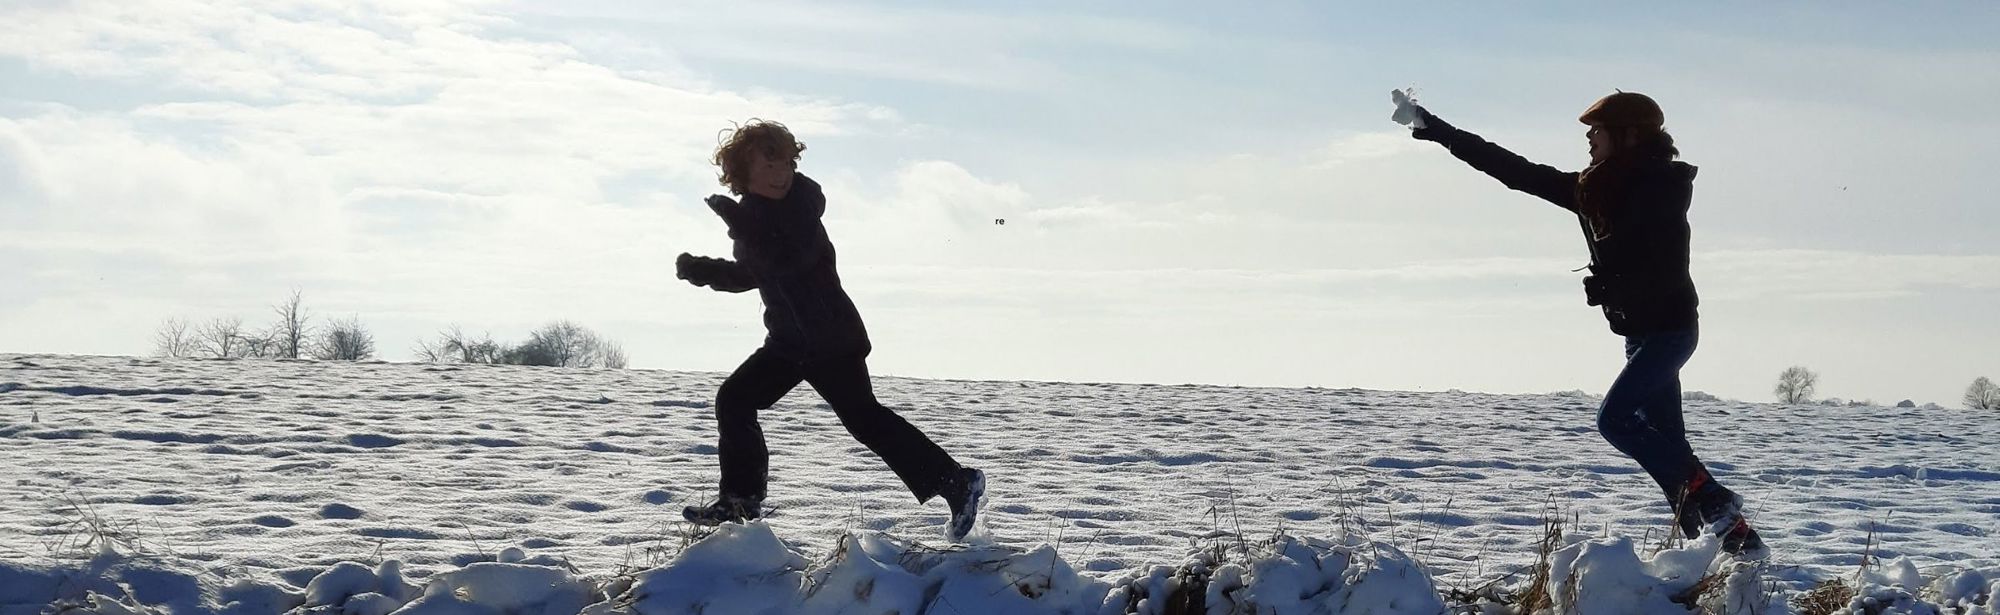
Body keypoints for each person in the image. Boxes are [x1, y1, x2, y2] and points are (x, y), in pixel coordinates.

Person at [1406, 93, 1763, 554]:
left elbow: (1664, 265)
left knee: (1615, 420)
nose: (1589, 138)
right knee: (1670, 451)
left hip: (1670, 331)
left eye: (1597, 130)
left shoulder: (1657, 188)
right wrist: (1441, 132)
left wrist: (1615, 284)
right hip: (1640, 335)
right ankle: (1734, 545)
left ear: (1628, 135)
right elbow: (1518, 173)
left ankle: (1714, 501)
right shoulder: (1596, 190)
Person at [673, 120, 987, 542]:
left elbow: (787, 260)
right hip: (789, 343)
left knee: (866, 420)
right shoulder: (753, 217)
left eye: (787, 164)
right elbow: (754, 272)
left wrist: (737, 221)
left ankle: (957, 482)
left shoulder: (800, 209)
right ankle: (740, 500)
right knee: (734, 400)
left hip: (830, 339)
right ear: (742, 174)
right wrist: (702, 270)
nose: (781, 174)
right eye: (769, 166)